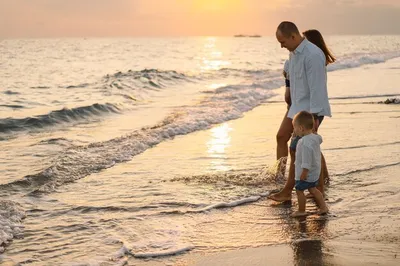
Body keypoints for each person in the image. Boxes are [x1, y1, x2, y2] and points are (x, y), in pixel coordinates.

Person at [270, 21, 332, 202]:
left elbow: (317, 88)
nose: (281, 46)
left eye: (283, 41)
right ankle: (285, 180)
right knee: (282, 137)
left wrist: (314, 119)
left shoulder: (313, 55)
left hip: (310, 111)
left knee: (301, 149)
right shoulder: (293, 54)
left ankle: (293, 191)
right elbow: (293, 81)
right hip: (296, 107)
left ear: (293, 36)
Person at [291, 111, 328, 217]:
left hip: (306, 173)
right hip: (315, 172)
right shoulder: (315, 138)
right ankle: (323, 207)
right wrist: (314, 133)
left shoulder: (304, 143)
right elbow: (320, 138)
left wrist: (304, 172)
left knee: (299, 190)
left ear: (301, 128)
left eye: (295, 128)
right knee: (313, 189)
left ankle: (301, 210)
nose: (294, 130)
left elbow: (306, 160)